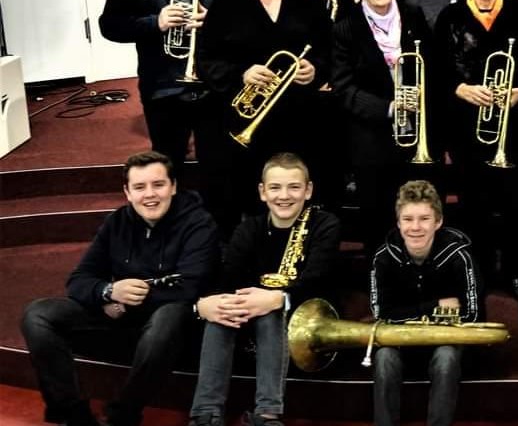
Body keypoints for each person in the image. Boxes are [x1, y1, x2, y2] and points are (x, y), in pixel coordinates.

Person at [21, 151, 219, 426]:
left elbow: (190, 287)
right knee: (37, 314)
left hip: (174, 332)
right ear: (127, 192)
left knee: (170, 315)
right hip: (119, 319)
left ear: (173, 186)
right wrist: (107, 291)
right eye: (139, 187)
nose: (150, 194)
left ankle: (122, 416)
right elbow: (79, 279)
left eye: (158, 184)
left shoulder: (199, 224)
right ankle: (73, 414)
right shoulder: (117, 222)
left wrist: (126, 301)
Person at [197, 0, 332, 235]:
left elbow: (327, 50)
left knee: (300, 191)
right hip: (246, 121)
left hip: (300, 116)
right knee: (249, 195)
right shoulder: (226, 1)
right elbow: (206, 58)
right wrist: (241, 74)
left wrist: (315, 69)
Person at [187, 153, 341, 426]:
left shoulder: (324, 224)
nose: (284, 196)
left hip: (301, 322)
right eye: (275, 187)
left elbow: (320, 279)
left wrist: (279, 298)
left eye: (294, 187)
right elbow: (228, 282)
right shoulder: (249, 228)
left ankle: (267, 415)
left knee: (271, 312)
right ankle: (206, 414)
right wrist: (211, 305)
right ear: (262, 192)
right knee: (222, 311)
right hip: (248, 320)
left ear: (308, 191)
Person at [433, 0, 518, 295]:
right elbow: (436, 70)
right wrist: (460, 89)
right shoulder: (449, 17)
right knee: (472, 203)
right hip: (467, 128)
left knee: (515, 203)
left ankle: (515, 270)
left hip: (515, 127)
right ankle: (477, 269)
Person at [100, 0, 231, 170]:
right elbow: (109, 25)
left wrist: (213, 22)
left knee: (218, 169)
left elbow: (234, 28)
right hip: (162, 88)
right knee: (169, 167)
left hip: (211, 88)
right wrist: (155, 22)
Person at [331, 0, 436, 249]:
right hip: (372, 138)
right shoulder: (345, 28)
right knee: (377, 214)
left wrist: (419, 97)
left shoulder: (413, 14)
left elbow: (433, 66)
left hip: (415, 132)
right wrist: (389, 108)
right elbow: (344, 88)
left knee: (418, 208)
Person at [370, 180, 479, 426]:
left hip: (446, 344)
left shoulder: (459, 255)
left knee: (446, 357)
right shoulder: (383, 258)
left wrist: (409, 315)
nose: (415, 227)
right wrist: (434, 307)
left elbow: (473, 315)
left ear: (438, 221)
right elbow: (381, 314)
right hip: (401, 346)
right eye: (407, 219)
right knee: (384, 357)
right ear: (398, 223)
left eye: (424, 219)